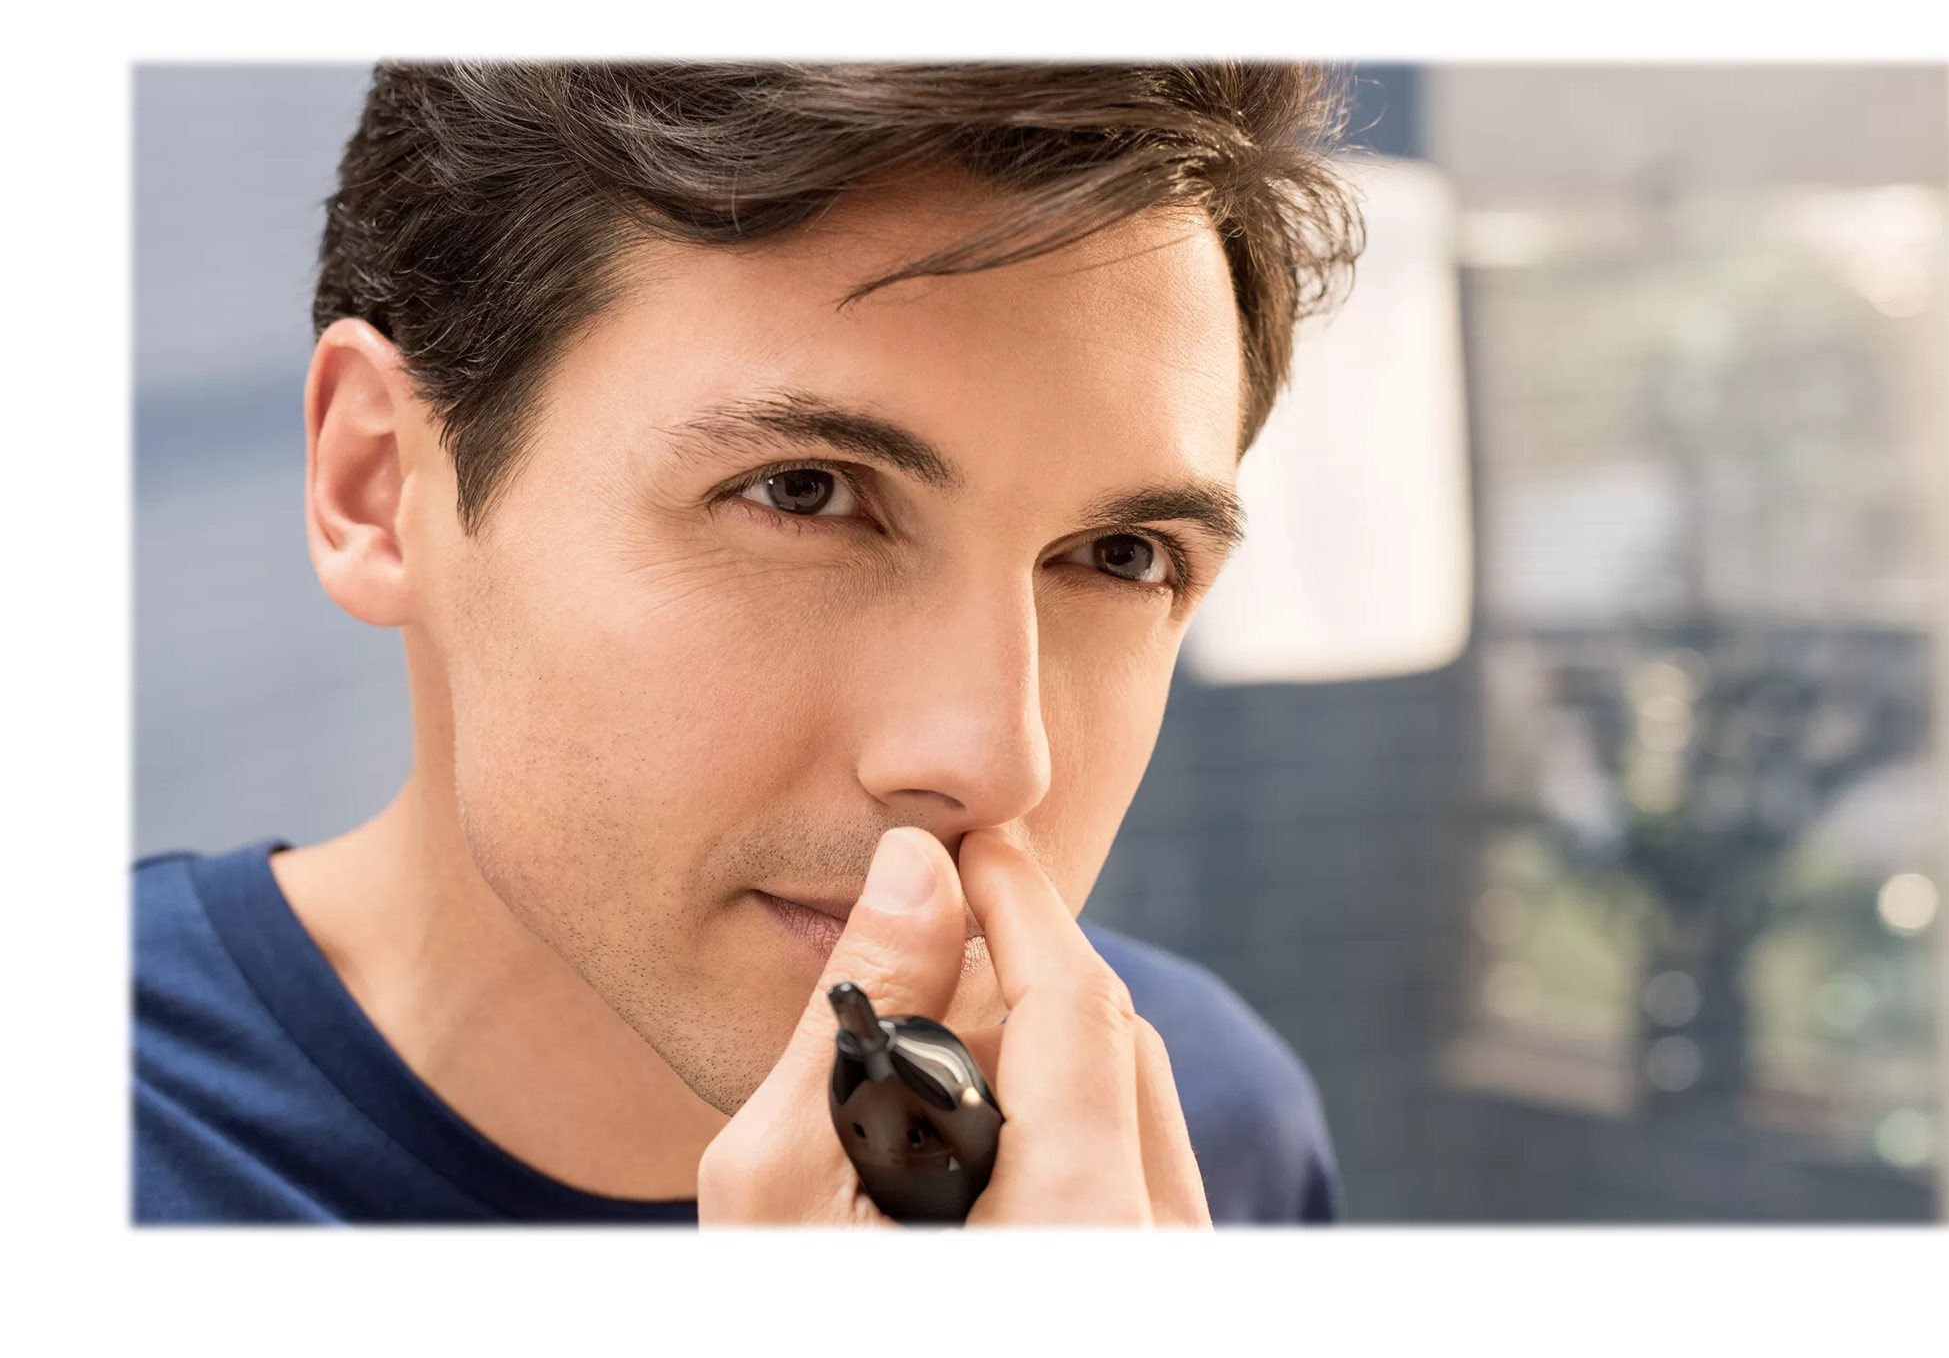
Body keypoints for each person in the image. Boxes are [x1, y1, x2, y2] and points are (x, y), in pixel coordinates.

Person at [133, 62, 1366, 1226]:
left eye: (1122, 555)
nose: (998, 762)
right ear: (377, 483)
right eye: (805, 493)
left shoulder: (1193, 1148)